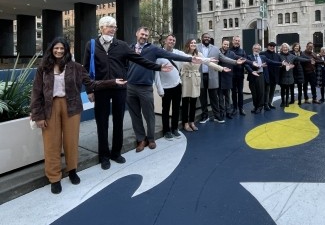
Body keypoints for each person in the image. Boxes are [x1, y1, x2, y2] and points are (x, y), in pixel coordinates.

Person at [83, 17, 187, 170]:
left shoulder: (121, 45)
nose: (112, 29)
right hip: (101, 89)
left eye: (114, 27)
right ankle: (104, 156)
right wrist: (89, 90)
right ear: (101, 28)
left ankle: (116, 153)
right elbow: (86, 69)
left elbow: (139, 60)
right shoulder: (91, 45)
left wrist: (158, 68)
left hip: (120, 89)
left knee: (118, 122)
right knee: (102, 123)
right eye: (109, 26)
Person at [31, 37, 127, 194]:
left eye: (62, 49)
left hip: (72, 106)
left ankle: (72, 170)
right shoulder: (44, 67)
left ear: (67, 50)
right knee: (51, 143)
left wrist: (112, 82)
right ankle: (54, 177)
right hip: (50, 107)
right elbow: (36, 92)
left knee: (71, 141)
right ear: (51, 50)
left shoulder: (75, 67)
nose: (59, 51)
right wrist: (38, 115)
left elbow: (92, 84)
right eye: (56, 48)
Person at [154, 34, 209, 140]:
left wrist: (207, 60)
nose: (172, 41)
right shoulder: (158, 54)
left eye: (174, 40)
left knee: (175, 109)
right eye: (170, 39)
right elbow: (156, 74)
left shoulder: (177, 53)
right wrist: (159, 88)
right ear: (165, 41)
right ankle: (166, 131)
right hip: (165, 87)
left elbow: (190, 57)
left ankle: (174, 129)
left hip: (177, 85)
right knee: (165, 110)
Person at [179, 38, 226, 132]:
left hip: (195, 79)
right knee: (185, 103)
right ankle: (185, 123)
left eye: (194, 43)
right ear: (188, 44)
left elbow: (208, 63)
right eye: (191, 42)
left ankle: (191, 122)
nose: (193, 44)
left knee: (193, 103)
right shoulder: (182, 54)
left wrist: (221, 68)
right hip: (186, 79)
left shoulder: (199, 54)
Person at [197, 33, 241, 124]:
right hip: (200, 76)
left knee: (214, 98)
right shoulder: (196, 48)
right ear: (201, 38)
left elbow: (223, 58)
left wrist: (235, 62)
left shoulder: (215, 49)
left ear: (210, 39)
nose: (207, 39)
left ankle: (217, 116)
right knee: (203, 98)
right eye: (205, 37)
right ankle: (205, 115)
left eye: (208, 38)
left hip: (212, 77)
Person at [246, 43, 285, 113]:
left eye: (258, 49)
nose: (257, 50)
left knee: (261, 93)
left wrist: (281, 63)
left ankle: (260, 107)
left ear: (260, 50)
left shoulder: (263, 57)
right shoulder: (249, 57)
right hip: (252, 76)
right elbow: (247, 66)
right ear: (252, 49)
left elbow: (271, 62)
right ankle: (256, 106)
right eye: (255, 48)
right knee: (254, 93)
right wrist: (259, 66)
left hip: (261, 76)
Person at [278, 43, 311, 107]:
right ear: (281, 48)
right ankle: (283, 101)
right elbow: (276, 63)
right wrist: (282, 65)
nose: (285, 48)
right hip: (282, 74)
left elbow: (300, 59)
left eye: (286, 47)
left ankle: (287, 102)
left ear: (288, 48)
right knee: (282, 89)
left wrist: (309, 60)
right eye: (283, 47)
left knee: (287, 89)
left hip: (289, 74)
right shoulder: (279, 55)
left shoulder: (292, 56)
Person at [230, 35, 248, 116]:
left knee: (240, 92)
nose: (237, 42)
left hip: (240, 75)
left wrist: (250, 71)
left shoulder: (243, 51)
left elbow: (246, 63)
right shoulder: (229, 51)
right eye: (235, 40)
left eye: (238, 41)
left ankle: (241, 108)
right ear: (232, 41)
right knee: (233, 92)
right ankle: (234, 108)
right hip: (231, 75)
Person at [260, 42, 282, 109]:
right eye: (271, 46)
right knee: (266, 91)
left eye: (273, 46)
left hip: (274, 76)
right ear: (267, 46)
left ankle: (270, 103)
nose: (272, 47)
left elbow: (279, 64)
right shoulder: (262, 54)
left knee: (272, 91)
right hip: (266, 75)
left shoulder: (277, 55)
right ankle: (265, 104)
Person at [218, 39, 236, 120]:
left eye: (227, 45)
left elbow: (237, 59)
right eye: (225, 44)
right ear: (222, 44)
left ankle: (228, 112)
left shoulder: (232, 53)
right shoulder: (217, 52)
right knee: (220, 98)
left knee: (228, 97)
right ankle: (222, 112)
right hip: (219, 77)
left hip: (228, 77)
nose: (226, 46)